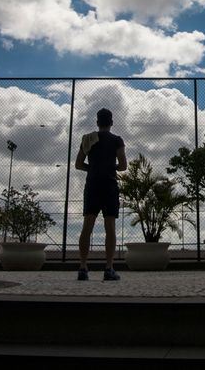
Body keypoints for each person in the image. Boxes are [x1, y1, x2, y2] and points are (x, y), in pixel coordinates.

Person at [75, 108, 127, 281]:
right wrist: (111, 167)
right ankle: (109, 267)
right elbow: (123, 165)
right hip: (109, 184)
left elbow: (78, 164)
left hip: (92, 184)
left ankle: (83, 267)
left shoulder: (88, 139)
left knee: (87, 226)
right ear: (111, 122)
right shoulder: (117, 140)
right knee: (110, 226)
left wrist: (93, 168)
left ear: (97, 122)